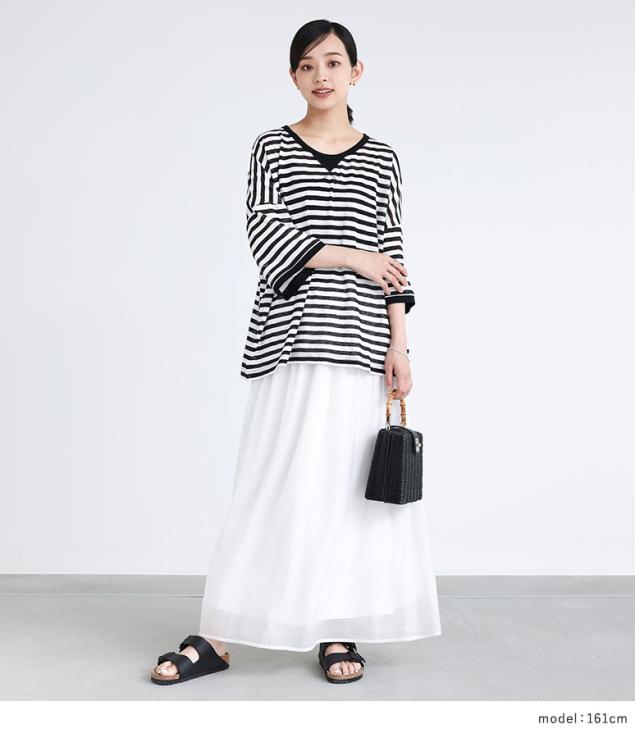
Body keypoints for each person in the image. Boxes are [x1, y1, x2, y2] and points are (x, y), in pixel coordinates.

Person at [150, 18, 441, 687]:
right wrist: (350, 257)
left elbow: (393, 250)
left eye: (333, 62)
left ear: (356, 72)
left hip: (362, 344)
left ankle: (335, 626)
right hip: (290, 341)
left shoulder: (382, 157)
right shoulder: (272, 149)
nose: (321, 76)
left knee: (345, 493)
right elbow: (267, 233)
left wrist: (400, 344)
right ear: (293, 77)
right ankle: (218, 634)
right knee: (272, 482)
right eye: (307, 65)